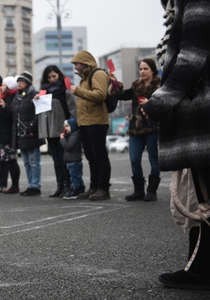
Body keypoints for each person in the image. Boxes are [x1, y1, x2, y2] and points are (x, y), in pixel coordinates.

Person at [141, 0, 210, 290]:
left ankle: (200, 270)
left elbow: (192, 56)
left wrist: (161, 101)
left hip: (201, 110)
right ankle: (200, 267)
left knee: (205, 196)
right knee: (202, 197)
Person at [116, 59, 161, 202]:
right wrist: (115, 84)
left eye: (145, 69)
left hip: (153, 126)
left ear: (152, 70)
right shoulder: (136, 85)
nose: (142, 71)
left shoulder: (160, 86)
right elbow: (123, 95)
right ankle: (139, 191)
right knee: (134, 159)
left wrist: (150, 103)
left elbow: (166, 104)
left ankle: (152, 191)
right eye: (140, 69)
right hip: (136, 127)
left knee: (154, 159)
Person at [71, 50, 111, 201]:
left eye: (77, 63)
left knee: (100, 156)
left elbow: (100, 95)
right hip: (85, 123)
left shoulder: (98, 74)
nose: (75, 67)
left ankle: (103, 188)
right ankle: (94, 187)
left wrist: (78, 91)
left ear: (85, 63)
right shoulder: (84, 78)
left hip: (97, 122)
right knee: (91, 157)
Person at [36, 65, 71, 197]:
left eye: (54, 76)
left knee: (64, 158)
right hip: (49, 127)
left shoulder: (64, 88)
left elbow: (69, 106)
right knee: (56, 159)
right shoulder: (43, 90)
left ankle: (68, 185)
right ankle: (60, 186)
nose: (51, 79)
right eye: (49, 77)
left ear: (59, 75)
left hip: (62, 126)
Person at [14, 71, 44, 196]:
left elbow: (40, 112)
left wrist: (32, 126)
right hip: (21, 133)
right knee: (26, 162)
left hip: (32, 132)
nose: (19, 83)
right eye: (18, 81)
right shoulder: (18, 96)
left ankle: (35, 186)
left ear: (27, 83)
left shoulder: (34, 94)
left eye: (22, 81)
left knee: (34, 161)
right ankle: (31, 184)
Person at [0, 76, 20, 194]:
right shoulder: (5, 97)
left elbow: (11, 115)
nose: (1, 87)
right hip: (4, 133)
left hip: (9, 134)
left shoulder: (13, 97)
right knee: (7, 160)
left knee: (11, 160)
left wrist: (4, 107)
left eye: (3, 84)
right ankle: (13, 185)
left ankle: (15, 185)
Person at [60, 118, 85, 199]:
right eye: (64, 126)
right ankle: (80, 188)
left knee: (74, 177)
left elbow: (68, 146)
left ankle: (76, 190)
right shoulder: (71, 135)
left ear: (73, 126)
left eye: (67, 126)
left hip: (74, 160)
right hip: (71, 160)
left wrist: (62, 139)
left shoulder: (75, 135)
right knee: (75, 176)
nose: (65, 128)